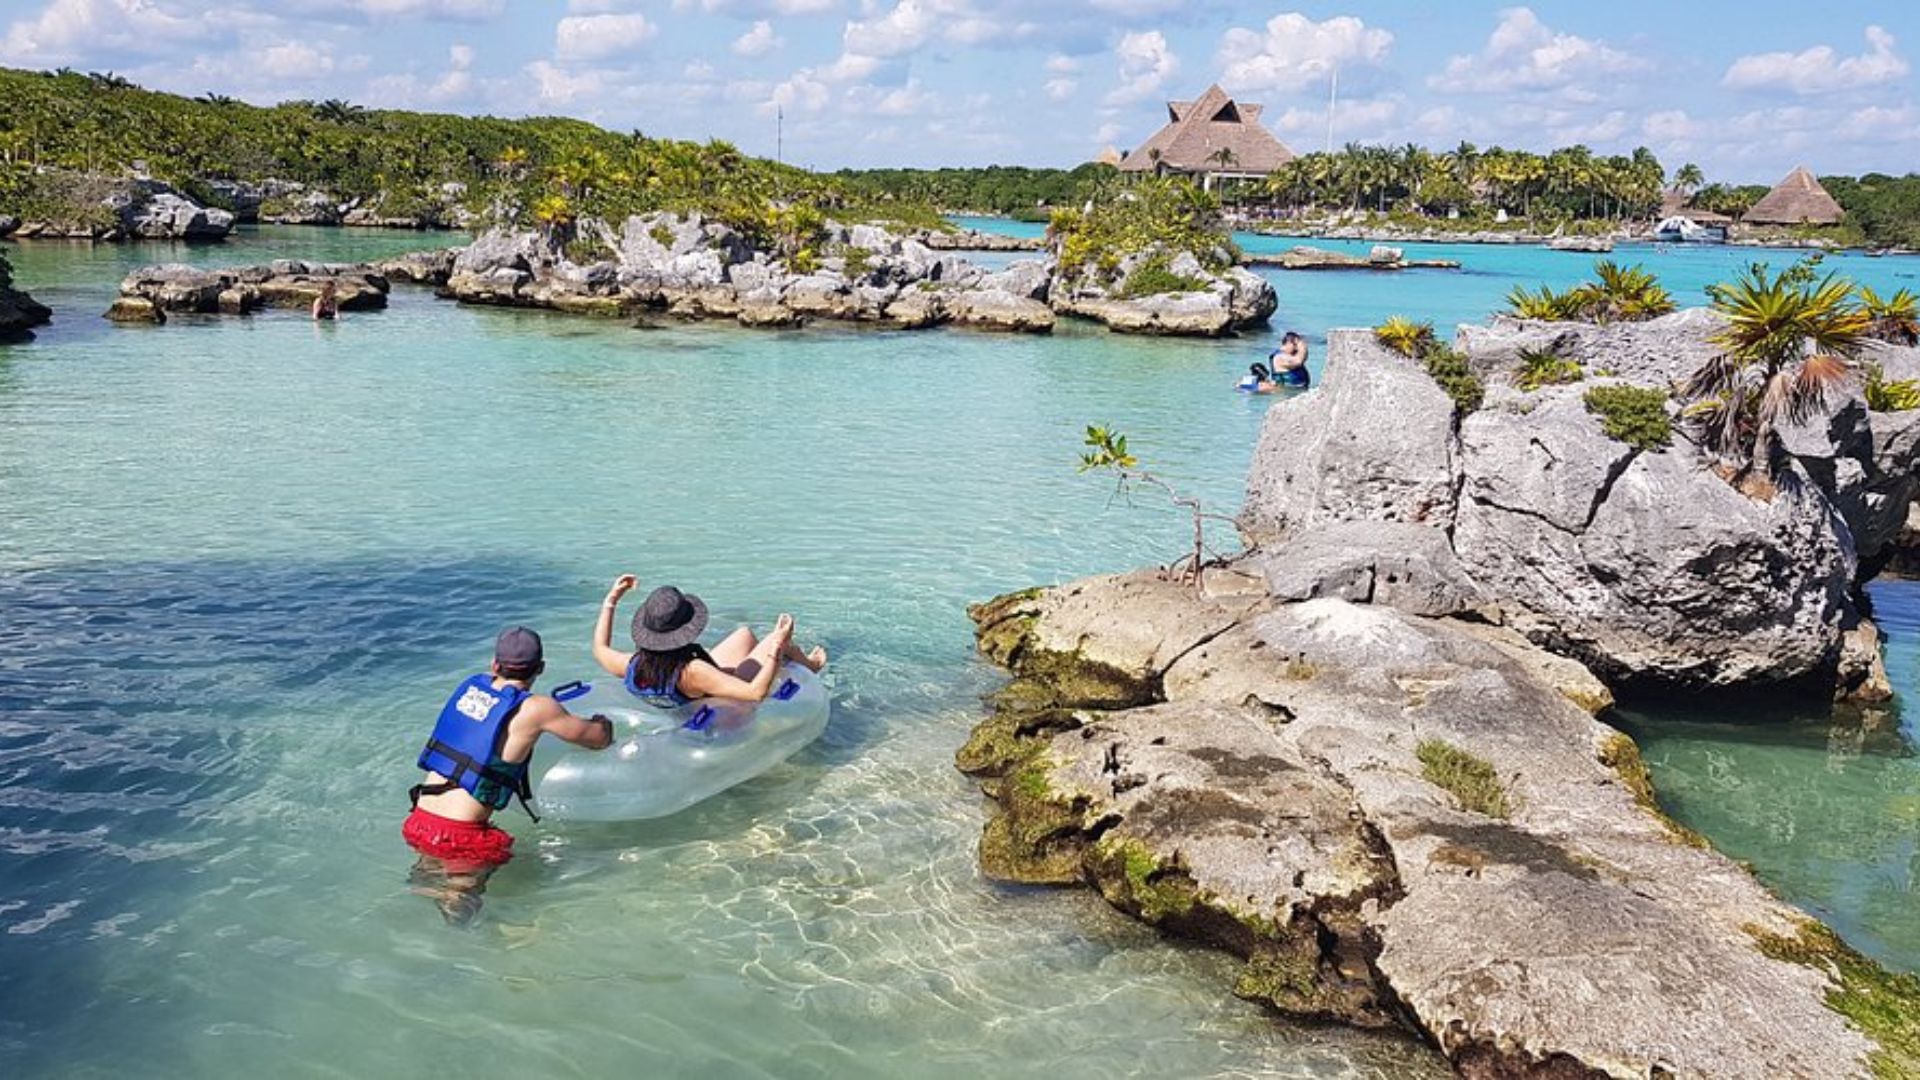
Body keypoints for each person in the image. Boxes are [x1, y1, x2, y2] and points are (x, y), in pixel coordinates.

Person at [403, 626, 613, 924]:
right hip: (461, 835)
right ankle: (473, 945)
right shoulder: (538, 708)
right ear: (540, 668)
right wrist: (603, 722)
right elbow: (597, 739)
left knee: (432, 879)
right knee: (462, 903)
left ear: (494, 665)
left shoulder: (471, 689)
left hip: (421, 820)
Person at [592, 576, 826, 706]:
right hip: (719, 701)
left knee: (744, 634)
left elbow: (600, 649)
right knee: (780, 640)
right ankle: (811, 666)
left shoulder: (634, 663)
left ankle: (795, 657)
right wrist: (778, 647)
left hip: (689, 691)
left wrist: (611, 600)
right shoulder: (693, 671)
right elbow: (755, 693)